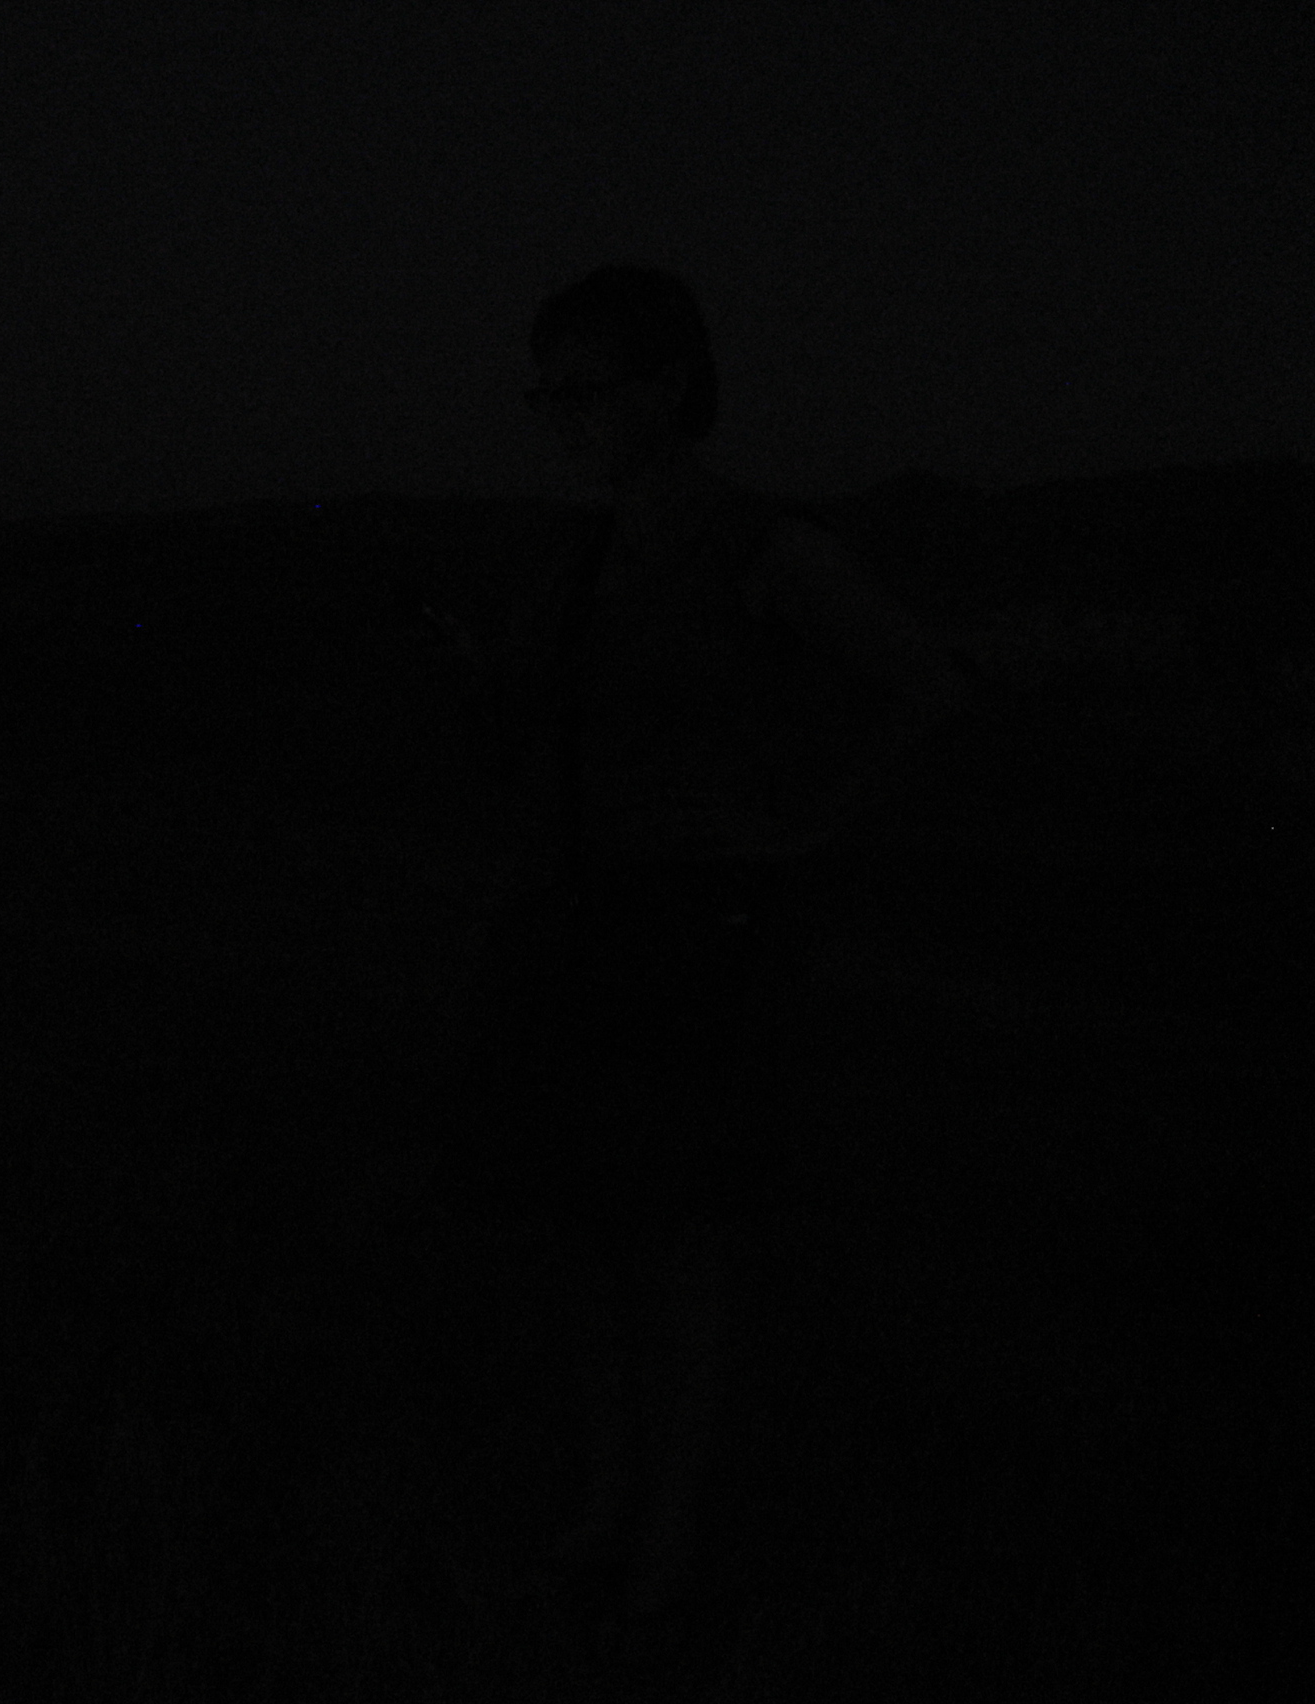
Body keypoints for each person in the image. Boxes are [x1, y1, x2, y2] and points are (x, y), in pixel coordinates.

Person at [443, 262, 989, 1642]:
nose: (561, 418)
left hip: (686, 928)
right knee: (585, 1226)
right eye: (545, 393)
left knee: (678, 1233)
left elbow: (926, 685)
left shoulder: (758, 543)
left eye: (586, 388)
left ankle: (665, 1539)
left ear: (672, 387)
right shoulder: (577, 554)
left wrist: (805, 830)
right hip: (571, 921)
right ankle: (609, 1505)